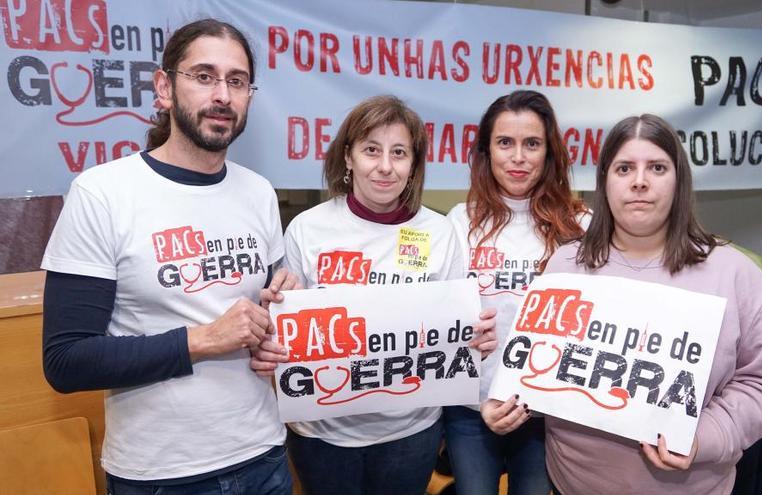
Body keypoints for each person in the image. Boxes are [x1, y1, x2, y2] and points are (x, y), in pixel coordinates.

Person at [41, 19, 296, 494]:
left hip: (265, 456)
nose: (222, 94)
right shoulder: (102, 193)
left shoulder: (258, 192)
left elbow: (264, 309)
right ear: (163, 87)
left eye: (236, 81)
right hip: (162, 474)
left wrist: (286, 302)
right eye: (204, 76)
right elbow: (66, 360)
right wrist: (203, 339)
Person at [486, 114, 762, 494]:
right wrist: (507, 402)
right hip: (570, 484)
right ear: (605, 181)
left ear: (678, 180)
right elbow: (539, 361)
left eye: (657, 167)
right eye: (624, 168)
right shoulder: (565, 266)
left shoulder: (736, 274)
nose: (639, 181)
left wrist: (707, 437)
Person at [249, 95, 497, 495]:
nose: (385, 166)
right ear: (347, 157)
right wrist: (276, 315)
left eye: (399, 153)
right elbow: (285, 332)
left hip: (411, 431)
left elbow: (457, 330)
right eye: (371, 150)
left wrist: (473, 339)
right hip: (322, 434)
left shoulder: (438, 232)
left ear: (414, 164)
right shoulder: (306, 229)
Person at [444, 90, 588, 495]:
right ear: (486, 151)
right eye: (505, 142)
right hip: (471, 412)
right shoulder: (459, 222)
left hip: (548, 414)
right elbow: (435, 319)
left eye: (532, 144)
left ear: (550, 153)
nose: (519, 157)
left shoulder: (582, 226)